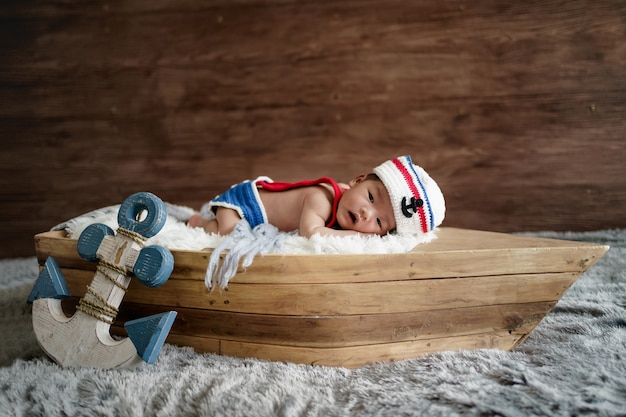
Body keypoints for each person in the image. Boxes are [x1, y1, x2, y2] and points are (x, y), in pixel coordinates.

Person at [187, 155, 445, 238]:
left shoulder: (347, 200)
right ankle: (201, 222)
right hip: (246, 204)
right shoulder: (320, 198)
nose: (368, 213)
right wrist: (356, 236)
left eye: (379, 223)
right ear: (356, 181)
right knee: (230, 234)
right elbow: (311, 232)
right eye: (371, 198)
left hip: (257, 213)